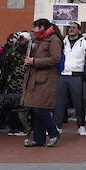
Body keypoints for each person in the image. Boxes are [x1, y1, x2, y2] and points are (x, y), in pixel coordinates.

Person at [23, 18, 63, 147]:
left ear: (43, 28)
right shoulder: (38, 40)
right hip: (36, 78)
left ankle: (53, 132)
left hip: (47, 79)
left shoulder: (54, 40)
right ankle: (38, 139)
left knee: (41, 109)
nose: (34, 30)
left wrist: (34, 61)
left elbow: (55, 59)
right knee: (36, 109)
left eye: (36, 27)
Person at [56, 22, 86, 136]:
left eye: (74, 28)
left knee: (79, 102)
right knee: (59, 102)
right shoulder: (62, 42)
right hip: (63, 74)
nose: (71, 29)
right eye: (70, 28)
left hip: (76, 75)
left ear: (78, 30)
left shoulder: (84, 43)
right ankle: (58, 126)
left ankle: (81, 126)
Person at [0, 32, 30, 135]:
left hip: (11, 82)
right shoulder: (27, 51)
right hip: (21, 83)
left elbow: (5, 64)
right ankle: (19, 127)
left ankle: (14, 127)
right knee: (20, 106)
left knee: (13, 105)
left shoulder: (11, 51)